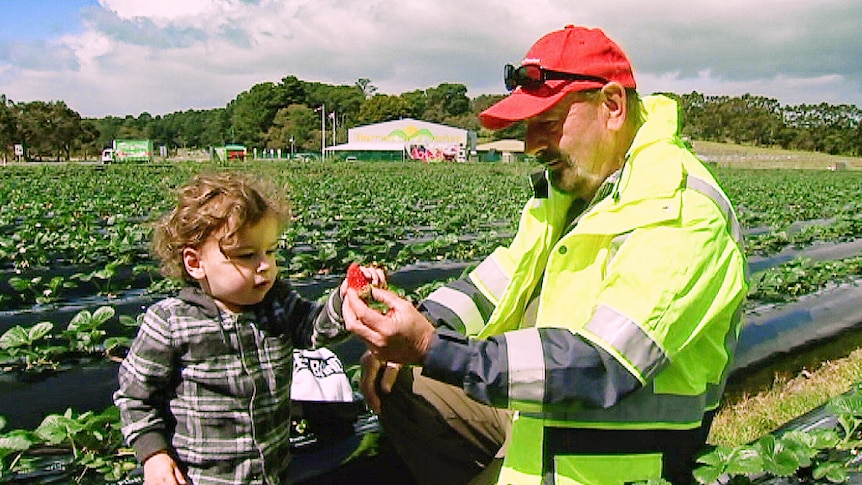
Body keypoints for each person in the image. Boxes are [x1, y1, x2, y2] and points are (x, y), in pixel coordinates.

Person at [344, 25, 749, 485]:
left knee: (430, 365)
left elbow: (600, 365)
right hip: (545, 416)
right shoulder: (574, 191)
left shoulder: (680, 209)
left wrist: (430, 347)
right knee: (403, 382)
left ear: (612, 107)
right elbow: (493, 283)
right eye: (528, 126)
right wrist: (416, 322)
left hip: (613, 460)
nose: (532, 144)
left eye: (548, 123)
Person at [113, 172, 385, 485]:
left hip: (273, 474)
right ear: (194, 262)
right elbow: (135, 398)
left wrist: (346, 299)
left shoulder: (277, 303)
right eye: (246, 255)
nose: (265, 265)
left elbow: (316, 328)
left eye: (270, 251)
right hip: (202, 479)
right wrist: (154, 455)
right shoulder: (170, 323)